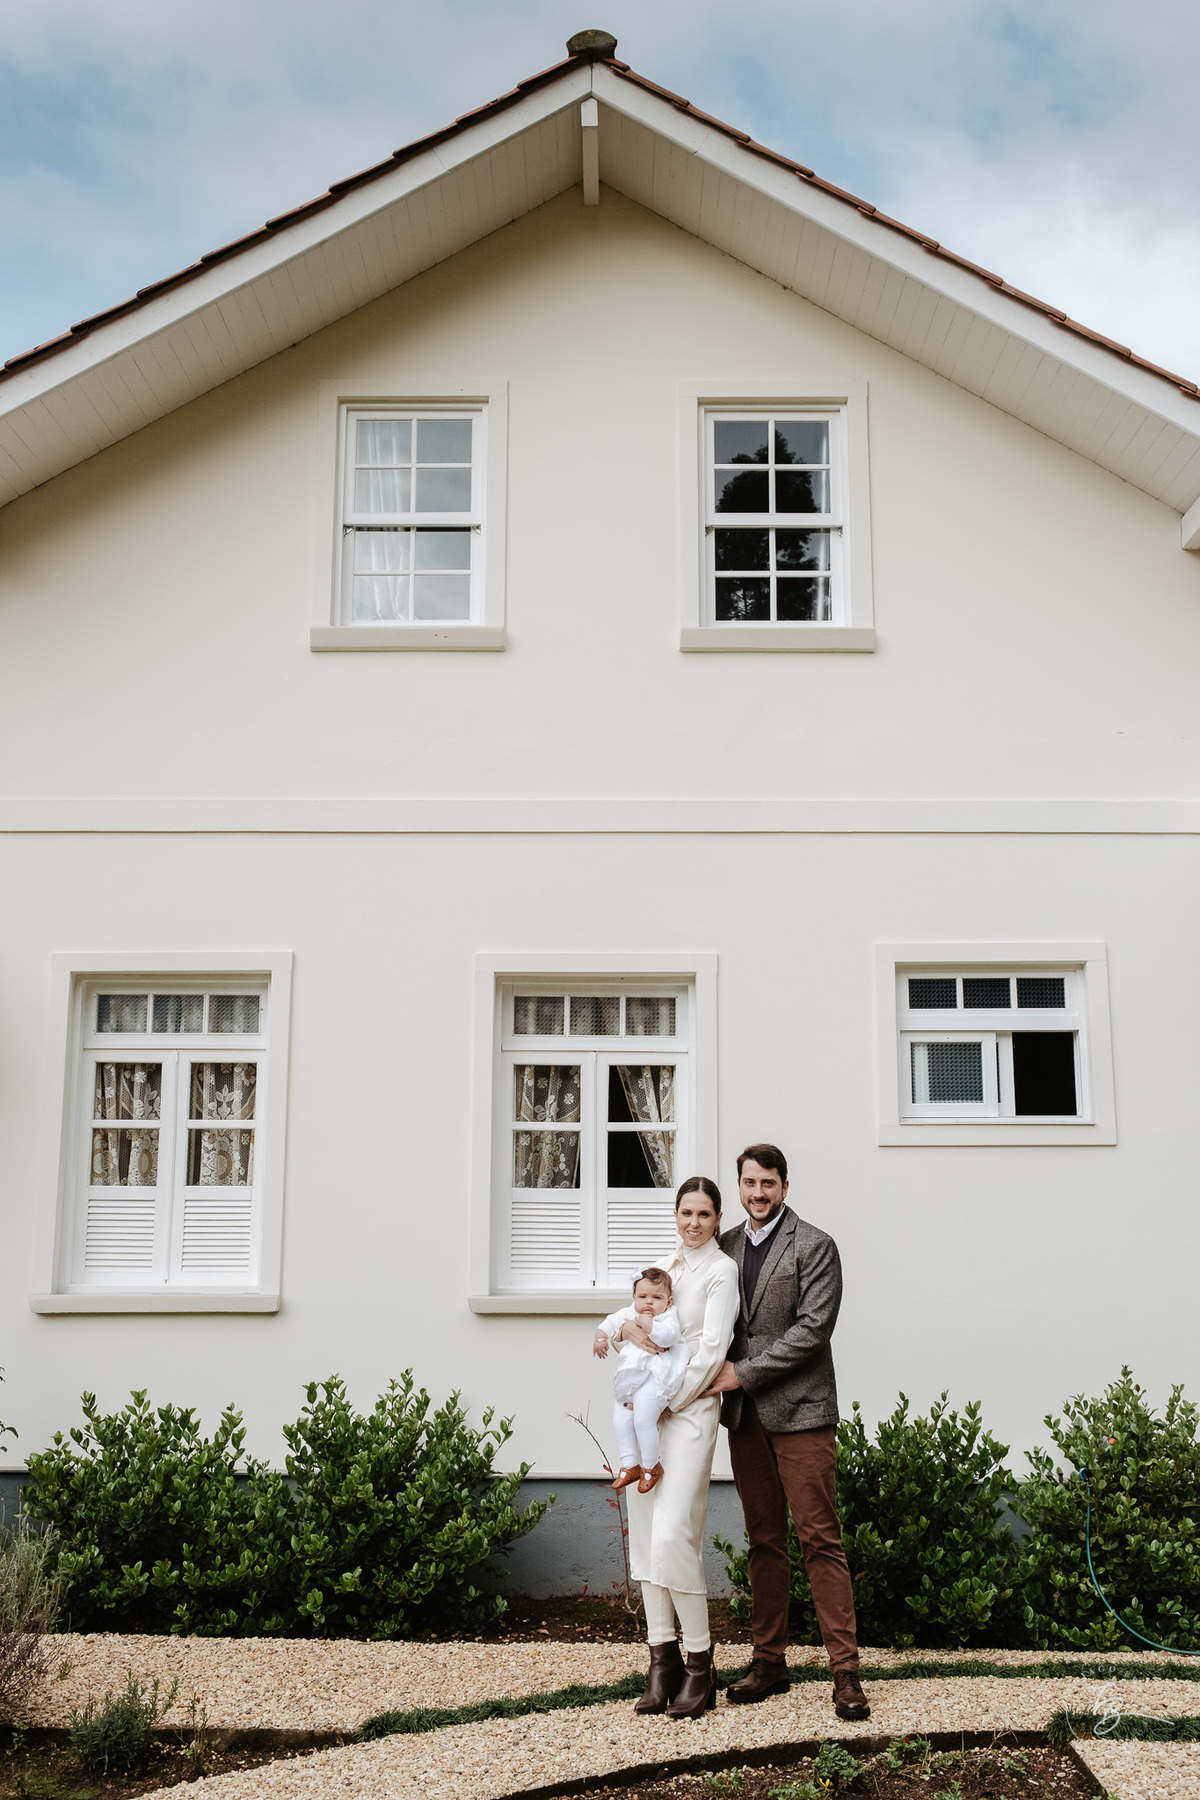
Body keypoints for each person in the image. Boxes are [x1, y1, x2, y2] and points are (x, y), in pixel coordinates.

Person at [703, 1144, 870, 1723]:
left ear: (785, 1186)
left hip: (801, 1413)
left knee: (819, 1539)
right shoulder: (721, 1246)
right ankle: (769, 1661)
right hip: (745, 1421)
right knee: (764, 1540)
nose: (757, 1193)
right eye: (748, 1183)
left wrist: (741, 1373)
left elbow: (813, 1330)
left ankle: (845, 1673)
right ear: (740, 1185)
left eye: (767, 1183)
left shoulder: (816, 1245)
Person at [606, 1175, 739, 1719]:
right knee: (645, 1533)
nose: (693, 1223)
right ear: (676, 1214)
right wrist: (620, 1335)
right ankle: (660, 1663)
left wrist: (666, 1402)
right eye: (686, 1212)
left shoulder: (721, 1271)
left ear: (716, 1218)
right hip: (647, 1416)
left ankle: (700, 1665)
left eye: (704, 1214)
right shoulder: (663, 1265)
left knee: (675, 1533)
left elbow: (712, 1349)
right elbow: (635, 1322)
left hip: (688, 1412)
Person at [593, 1267, 690, 1495]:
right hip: (630, 1377)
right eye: (642, 1297)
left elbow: (669, 1336)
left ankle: (650, 1466)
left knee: (643, 1421)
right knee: (620, 1419)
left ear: (668, 1301)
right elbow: (610, 1322)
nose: (649, 1303)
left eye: (657, 1298)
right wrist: (600, 1337)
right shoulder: (628, 1313)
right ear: (634, 1298)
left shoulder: (667, 1317)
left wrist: (649, 1324)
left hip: (655, 1377)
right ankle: (629, 1465)